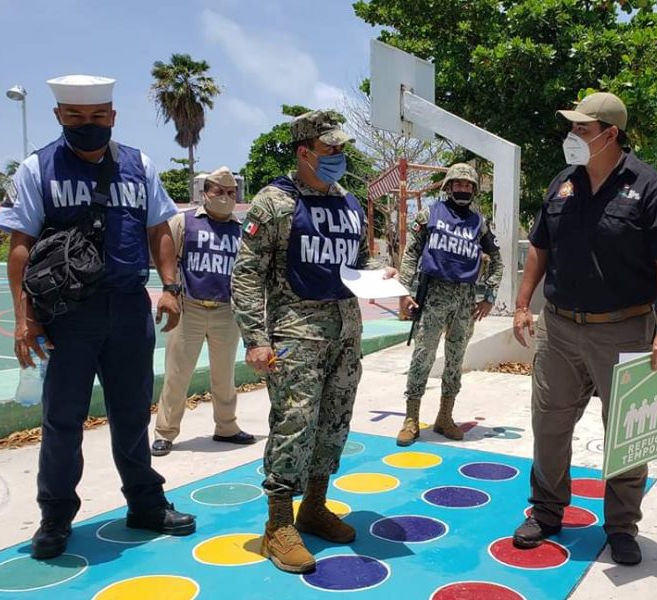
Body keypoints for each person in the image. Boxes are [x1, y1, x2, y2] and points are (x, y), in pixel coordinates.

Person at [0, 74, 196, 560]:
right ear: (60, 116)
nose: (89, 124)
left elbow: (159, 229)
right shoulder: (36, 168)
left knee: (131, 414)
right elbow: (19, 247)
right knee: (63, 420)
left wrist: (169, 288)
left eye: (98, 116)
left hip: (129, 308)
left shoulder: (138, 164)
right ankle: (55, 518)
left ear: (112, 116)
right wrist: (26, 319)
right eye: (78, 117)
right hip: (67, 315)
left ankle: (145, 504)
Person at [512, 92, 657, 566]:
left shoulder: (649, 188)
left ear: (610, 134)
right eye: (571, 128)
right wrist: (523, 301)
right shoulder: (562, 184)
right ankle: (547, 511)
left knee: (628, 431)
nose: (572, 137)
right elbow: (539, 248)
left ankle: (621, 526)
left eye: (581, 129)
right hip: (560, 328)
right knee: (549, 423)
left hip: (625, 330)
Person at [232, 110, 397, 573]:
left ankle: (315, 505)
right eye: (330, 150)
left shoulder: (348, 201)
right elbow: (245, 275)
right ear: (304, 152)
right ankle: (278, 525)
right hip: (295, 336)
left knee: (334, 421)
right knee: (295, 423)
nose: (339, 157)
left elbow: (356, 264)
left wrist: (378, 277)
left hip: (346, 334)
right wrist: (256, 339)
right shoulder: (273, 203)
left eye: (342, 149)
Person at [395, 162, 504, 446]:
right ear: (448, 186)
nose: (463, 189)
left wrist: (489, 297)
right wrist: (403, 290)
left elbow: (498, 262)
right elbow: (411, 253)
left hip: (465, 299)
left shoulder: (479, 223)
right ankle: (411, 418)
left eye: (468, 185)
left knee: (455, 359)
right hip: (433, 295)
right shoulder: (429, 213)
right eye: (458, 184)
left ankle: (445, 417)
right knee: (423, 356)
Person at [151, 167, 254, 456]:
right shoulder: (183, 222)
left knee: (224, 375)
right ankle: (165, 432)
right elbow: (164, 253)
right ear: (204, 193)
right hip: (189, 308)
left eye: (230, 192)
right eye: (218, 191)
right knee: (177, 374)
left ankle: (227, 427)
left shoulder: (241, 230)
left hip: (226, 310)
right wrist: (168, 291)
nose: (224, 197)